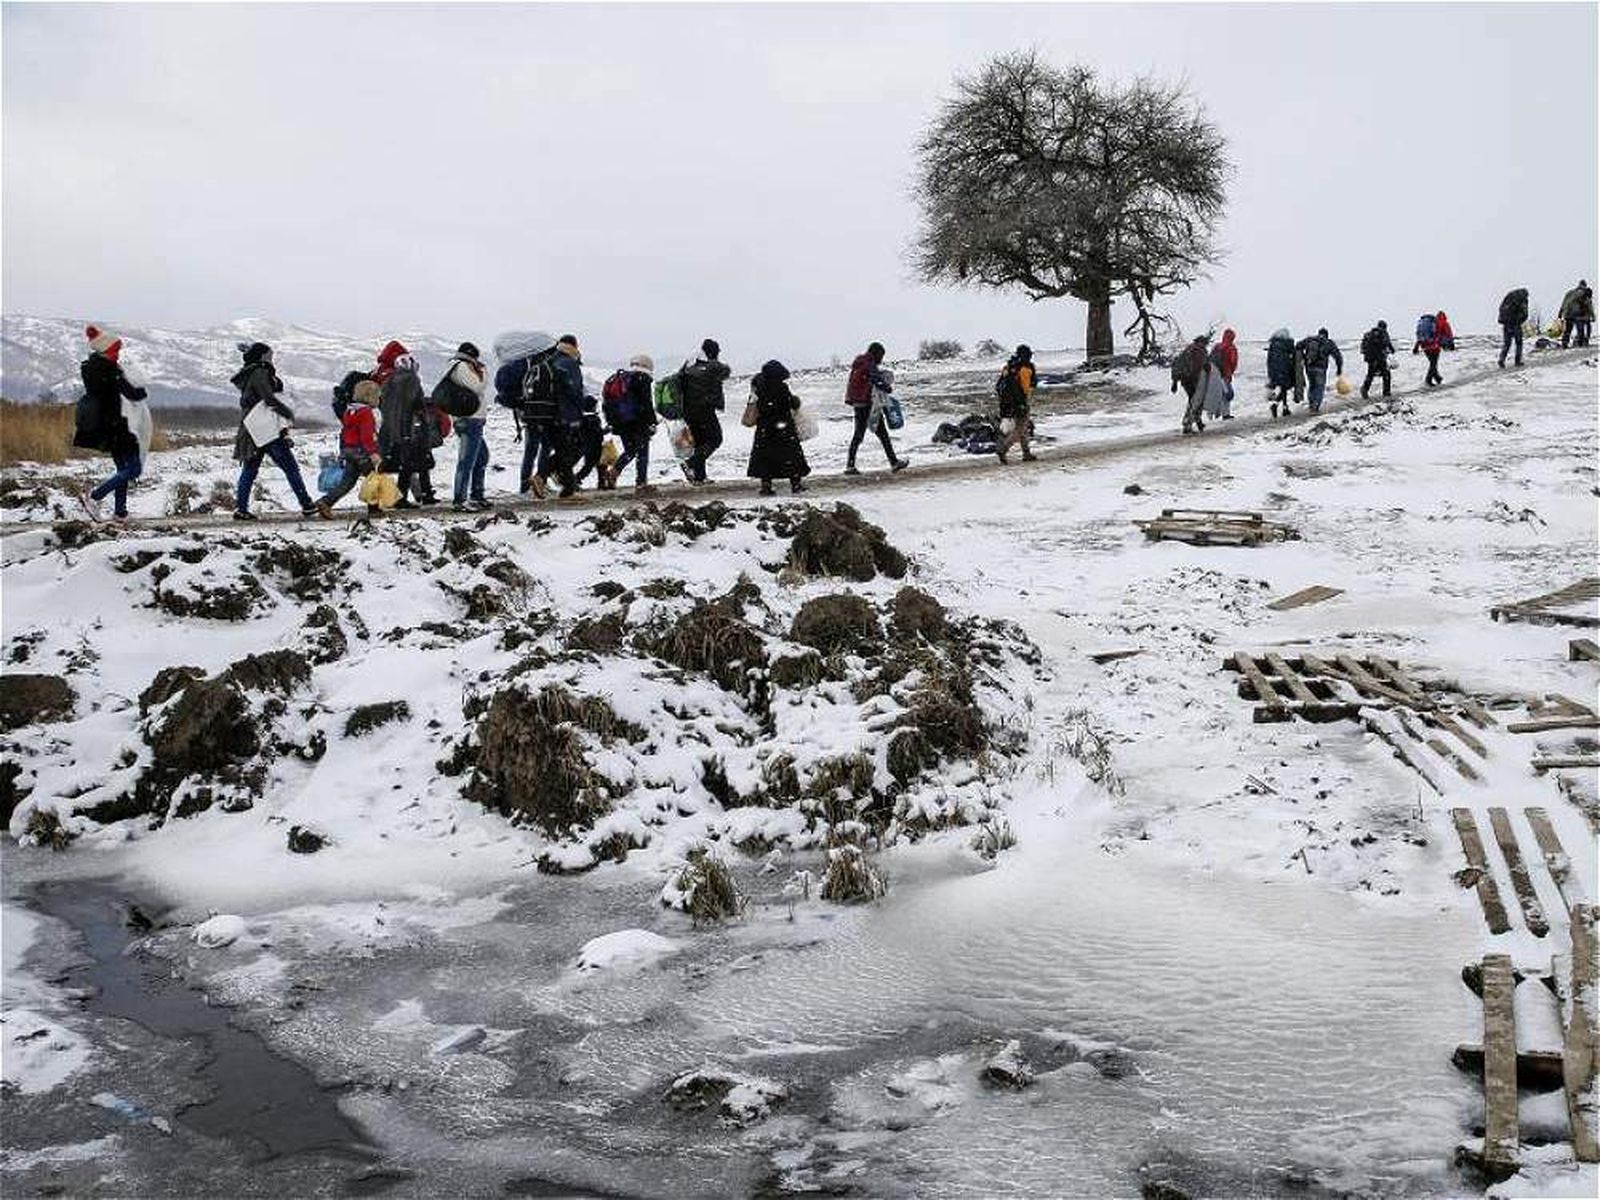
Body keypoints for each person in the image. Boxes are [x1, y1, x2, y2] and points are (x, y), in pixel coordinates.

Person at [230, 342, 324, 520]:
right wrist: (287, 413)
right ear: (263, 356)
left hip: (251, 430)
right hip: (268, 430)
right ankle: (306, 504)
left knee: (250, 470)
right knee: (290, 468)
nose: (272, 358)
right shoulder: (259, 373)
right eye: (269, 355)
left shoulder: (249, 374)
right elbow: (269, 398)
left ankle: (241, 508)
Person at [74, 325, 150, 522]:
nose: (117, 354)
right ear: (105, 349)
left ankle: (120, 512)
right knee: (133, 469)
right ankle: (95, 496)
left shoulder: (90, 368)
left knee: (122, 469)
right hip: (119, 425)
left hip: (105, 426)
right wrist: (141, 388)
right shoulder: (109, 370)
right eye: (115, 350)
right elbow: (134, 394)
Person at [316, 378, 383, 518]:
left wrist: (343, 450)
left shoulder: (350, 410)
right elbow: (367, 435)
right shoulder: (366, 413)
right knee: (373, 478)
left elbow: (345, 431)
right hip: (362, 451)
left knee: (348, 481)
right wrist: (373, 453)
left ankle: (326, 501)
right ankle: (374, 508)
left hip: (349, 450)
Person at [378, 348, 435, 508]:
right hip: (410, 427)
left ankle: (423, 494)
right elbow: (416, 404)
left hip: (393, 428)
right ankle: (405, 497)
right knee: (413, 462)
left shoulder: (389, 382)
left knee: (408, 462)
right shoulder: (412, 380)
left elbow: (385, 405)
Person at [438, 342, 491, 511]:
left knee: (481, 457)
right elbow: (477, 387)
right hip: (469, 419)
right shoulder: (461, 367)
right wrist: (483, 372)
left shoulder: (460, 366)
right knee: (467, 460)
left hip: (472, 419)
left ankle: (476, 495)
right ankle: (460, 499)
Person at [745, 360, 810, 496]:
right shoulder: (782, 387)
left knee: (765, 458)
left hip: (765, 427)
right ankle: (796, 484)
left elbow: (755, 405)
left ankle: (766, 486)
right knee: (791, 456)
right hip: (783, 427)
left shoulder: (758, 387)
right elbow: (791, 403)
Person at [844, 341, 908, 474]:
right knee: (882, 434)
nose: (881, 359)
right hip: (868, 405)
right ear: (876, 353)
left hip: (858, 404)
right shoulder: (869, 364)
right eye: (881, 355)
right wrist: (888, 388)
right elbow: (876, 380)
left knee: (858, 435)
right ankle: (894, 462)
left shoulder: (858, 364)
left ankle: (850, 465)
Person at [679, 338, 731, 484]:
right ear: (713, 352)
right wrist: (714, 360)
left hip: (688, 411)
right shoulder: (713, 366)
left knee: (700, 442)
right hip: (704, 410)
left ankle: (699, 476)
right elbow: (726, 371)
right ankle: (690, 463)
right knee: (715, 439)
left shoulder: (689, 367)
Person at [604, 353, 658, 493]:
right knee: (642, 452)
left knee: (630, 450)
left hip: (621, 422)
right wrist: (652, 422)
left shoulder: (619, 378)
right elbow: (646, 403)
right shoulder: (642, 378)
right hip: (638, 422)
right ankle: (641, 483)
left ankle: (614, 472)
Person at [549, 334, 587, 499]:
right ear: (574, 346)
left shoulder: (550, 360)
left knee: (562, 449)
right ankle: (564, 486)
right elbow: (575, 391)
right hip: (567, 414)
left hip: (550, 413)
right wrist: (580, 409)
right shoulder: (569, 363)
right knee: (572, 448)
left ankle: (564, 483)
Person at [994, 344, 1037, 463]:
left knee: (1022, 427)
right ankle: (1003, 449)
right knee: (1020, 428)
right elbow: (1026, 388)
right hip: (1020, 402)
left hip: (1006, 402)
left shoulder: (1008, 366)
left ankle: (1026, 453)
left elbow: (1000, 385)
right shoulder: (1025, 368)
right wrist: (1024, 400)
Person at [1295, 328, 1344, 413]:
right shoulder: (1329, 343)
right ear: (1326, 335)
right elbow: (1338, 356)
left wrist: (1303, 357)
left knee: (1312, 385)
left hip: (1309, 367)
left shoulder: (1309, 339)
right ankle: (1316, 405)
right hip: (1321, 368)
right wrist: (1339, 369)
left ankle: (1311, 404)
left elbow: (1298, 346)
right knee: (1319, 387)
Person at [1171, 334, 1210, 433]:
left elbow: (1177, 365)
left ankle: (1197, 421)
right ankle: (1188, 423)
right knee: (1194, 401)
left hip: (1184, 379)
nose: (1205, 345)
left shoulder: (1187, 350)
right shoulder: (1200, 351)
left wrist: (1175, 382)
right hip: (1193, 379)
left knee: (1193, 400)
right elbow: (1201, 366)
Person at [1359, 320, 1396, 398]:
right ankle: (1386, 393)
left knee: (1371, 374)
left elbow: (1363, 348)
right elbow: (1387, 344)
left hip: (1369, 358)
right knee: (1386, 374)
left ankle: (1364, 389)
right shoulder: (1383, 333)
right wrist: (1392, 350)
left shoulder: (1368, 334)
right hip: (1379, 357)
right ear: (1384, 327)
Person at [1266, 328, 1296, 417]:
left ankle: (1280, 406)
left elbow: (1269, 360)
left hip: (1274, 371)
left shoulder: (1272, 344)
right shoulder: (1288, 343)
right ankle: (1282, 407)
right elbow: (1293, 355)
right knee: (1285, 388)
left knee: (1282, 388)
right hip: (1285, 369)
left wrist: (1270, 373)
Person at [1208, 329, 1238, 419]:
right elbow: (1233, 361)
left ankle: (1212, 412)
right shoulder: (1231, 348)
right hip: (1225, 374)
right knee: (1228, 394)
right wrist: (1230, 371)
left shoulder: (1217, 346)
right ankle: (1225, 414)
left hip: (1215, 374)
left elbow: (1210, 359)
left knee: (1217, 393)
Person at [1497, 287, 1529, 368]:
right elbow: (1524, 312)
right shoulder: (1522, 299)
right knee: (1519, 343)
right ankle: (1517, 361)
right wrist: (1521, 320)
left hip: (1506, 323)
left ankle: (1501, 359)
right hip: (1515, 323)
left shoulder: (1510, 297)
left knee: (1507, 343)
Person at [1412, 313, 1443, 387]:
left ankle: (1437, 378)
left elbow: (1419, 336)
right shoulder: (1433, 322)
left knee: (1432, 362)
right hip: (1433, 346)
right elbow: (1436, 333)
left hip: (1424, 346)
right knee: (1433, 363)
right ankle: (1428, 380)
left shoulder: (1420, 323)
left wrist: (1416, 347)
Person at [1560, 280, 1594, 348]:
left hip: (1568, 313)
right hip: (1578, 314)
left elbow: (1565, 303)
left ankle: (1565, 343)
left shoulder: (1570, 292)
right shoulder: (1586, 293)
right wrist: (1592, 316)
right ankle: (1580, 343)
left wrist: (1561, 311)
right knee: (1580, 329)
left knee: (1568, 329)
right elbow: (1589, 305)